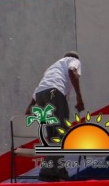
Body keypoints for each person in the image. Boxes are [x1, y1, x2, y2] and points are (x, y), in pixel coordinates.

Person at [25, 51, 84, 182]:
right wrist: (79, 97)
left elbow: (40, 87)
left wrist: (30, 105)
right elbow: (72, 71)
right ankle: (47, 170)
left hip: (41, 96)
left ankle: (59, 170)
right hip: (54, 92)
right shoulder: (73, 60)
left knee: (54, 136)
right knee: (62, 132)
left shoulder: (53, 67)